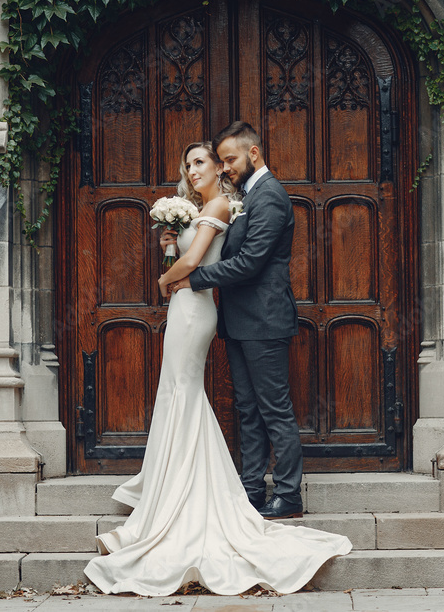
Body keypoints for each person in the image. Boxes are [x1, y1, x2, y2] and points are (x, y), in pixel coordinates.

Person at [83, 140, 350, 597]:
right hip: (218, 314)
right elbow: (191, 256)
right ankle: (234, 489)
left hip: (248, 316)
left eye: (209, 161)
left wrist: (170, 279)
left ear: (249, 154)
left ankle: (286, 497)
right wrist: (170, 245)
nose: (198, 169)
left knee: (267, 405)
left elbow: (232, 264)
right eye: (192, 163)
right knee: (232, 403)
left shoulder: (240, 201)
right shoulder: (205, 207)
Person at [168, 121, 303, 521]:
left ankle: (289, 494)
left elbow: (249, 264)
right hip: (240, 321)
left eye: (230, 159)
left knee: (275, 408)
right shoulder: (246, 195)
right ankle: (250, 489)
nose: (225, 167)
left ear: (253, 153)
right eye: (222, 160)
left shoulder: (271, 197)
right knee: (247, 408)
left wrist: (193, 278)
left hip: (266, 322)